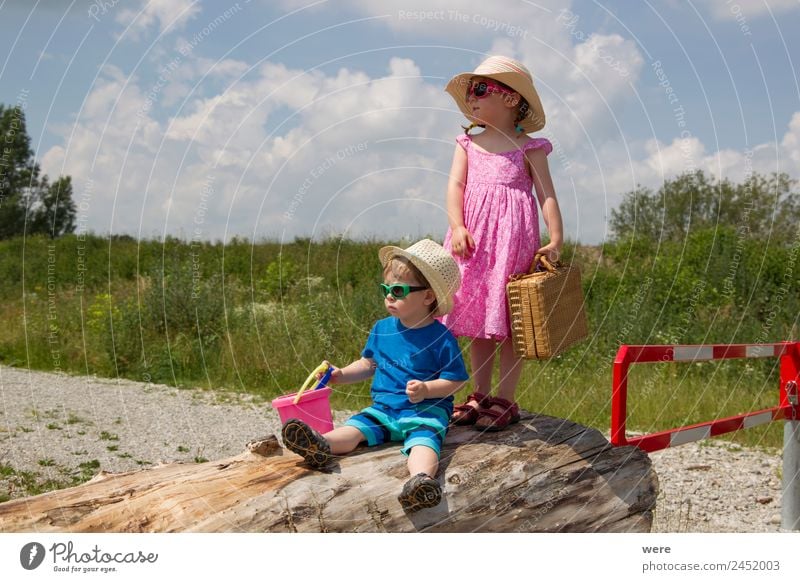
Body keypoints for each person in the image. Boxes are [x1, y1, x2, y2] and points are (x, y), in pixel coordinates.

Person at [281, 239, 468, 512]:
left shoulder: (441, 338)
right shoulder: (382, 329)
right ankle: (319, 445)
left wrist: (427, 389)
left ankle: (421, 481)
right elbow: (368, 364)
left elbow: (456, 381)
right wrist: (341, 374)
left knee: (424, 444)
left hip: (425, 412)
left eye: (398, 290)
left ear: (428, 297)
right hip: (384, 410)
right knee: (355, 429)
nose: (389, 296)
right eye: (386, 289)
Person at [441, 55, 564, 431]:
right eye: (470, 92)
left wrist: (556, 238)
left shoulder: (530, 147)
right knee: (480, 318)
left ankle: (506, 398)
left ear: (511, 99)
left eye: (480, 90)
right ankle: (480, 393)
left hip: (513, 240)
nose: (471, 99)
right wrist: (457, 226)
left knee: (510, 319)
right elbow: (455, 187)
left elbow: (547, 195)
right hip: (473, 241)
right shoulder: (468, 143)